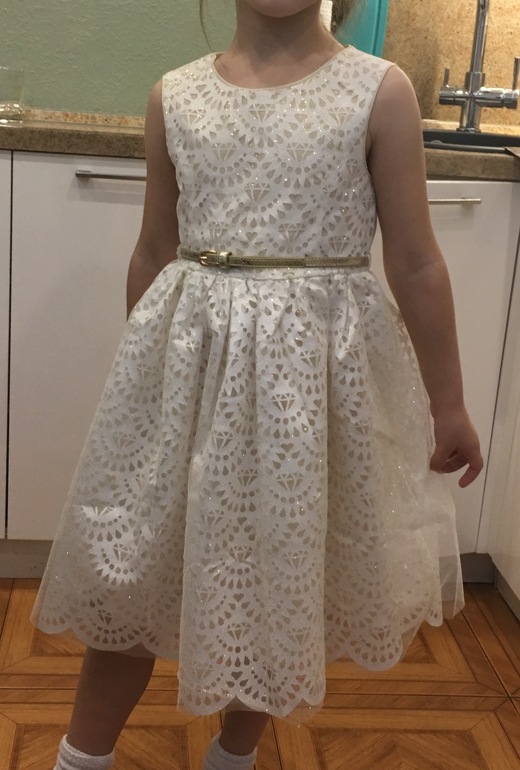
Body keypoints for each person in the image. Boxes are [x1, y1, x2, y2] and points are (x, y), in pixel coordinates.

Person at [32, 0, 484, 768]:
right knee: (132, 571)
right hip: (191, 384)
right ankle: (81, 758)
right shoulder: (175, 95)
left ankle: (233, 756)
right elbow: (154, 248)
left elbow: (415, 262)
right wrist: (142, 389)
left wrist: (449, 404)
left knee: (276, 576)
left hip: (305, 396)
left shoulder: (379, 91)